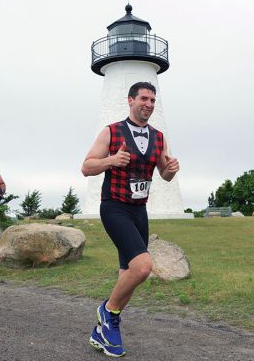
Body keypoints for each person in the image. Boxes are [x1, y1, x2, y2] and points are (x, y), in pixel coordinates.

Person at [81, 82, 180, 357]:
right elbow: (87, 166)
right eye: (144, 99)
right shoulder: (112, 131)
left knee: (129, 273)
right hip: (114, 207)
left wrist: (171, 169)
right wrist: (111, 160)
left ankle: (104, 330)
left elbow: (165, 174)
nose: (148, 104)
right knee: (143, 267)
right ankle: (107, 310)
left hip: (139, 211)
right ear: (130, 100)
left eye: (152, 100)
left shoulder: (158, 137)